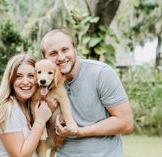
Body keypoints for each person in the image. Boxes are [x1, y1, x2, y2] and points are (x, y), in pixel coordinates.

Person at [39, 29, 134, 157]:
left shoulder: (101, 73)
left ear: (74, 49)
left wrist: (78, 132)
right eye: (53, 53)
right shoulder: (43, 83)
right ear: (45, 58)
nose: (61, 57)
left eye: (65, 50)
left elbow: (126, 123)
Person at [0, 53, 52, 157]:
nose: (25, 82)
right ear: (10, 80)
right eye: (18, 76)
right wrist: (40, 121)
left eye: (31, 76)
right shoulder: (7, 108)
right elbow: (20, 155)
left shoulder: (26, 106)